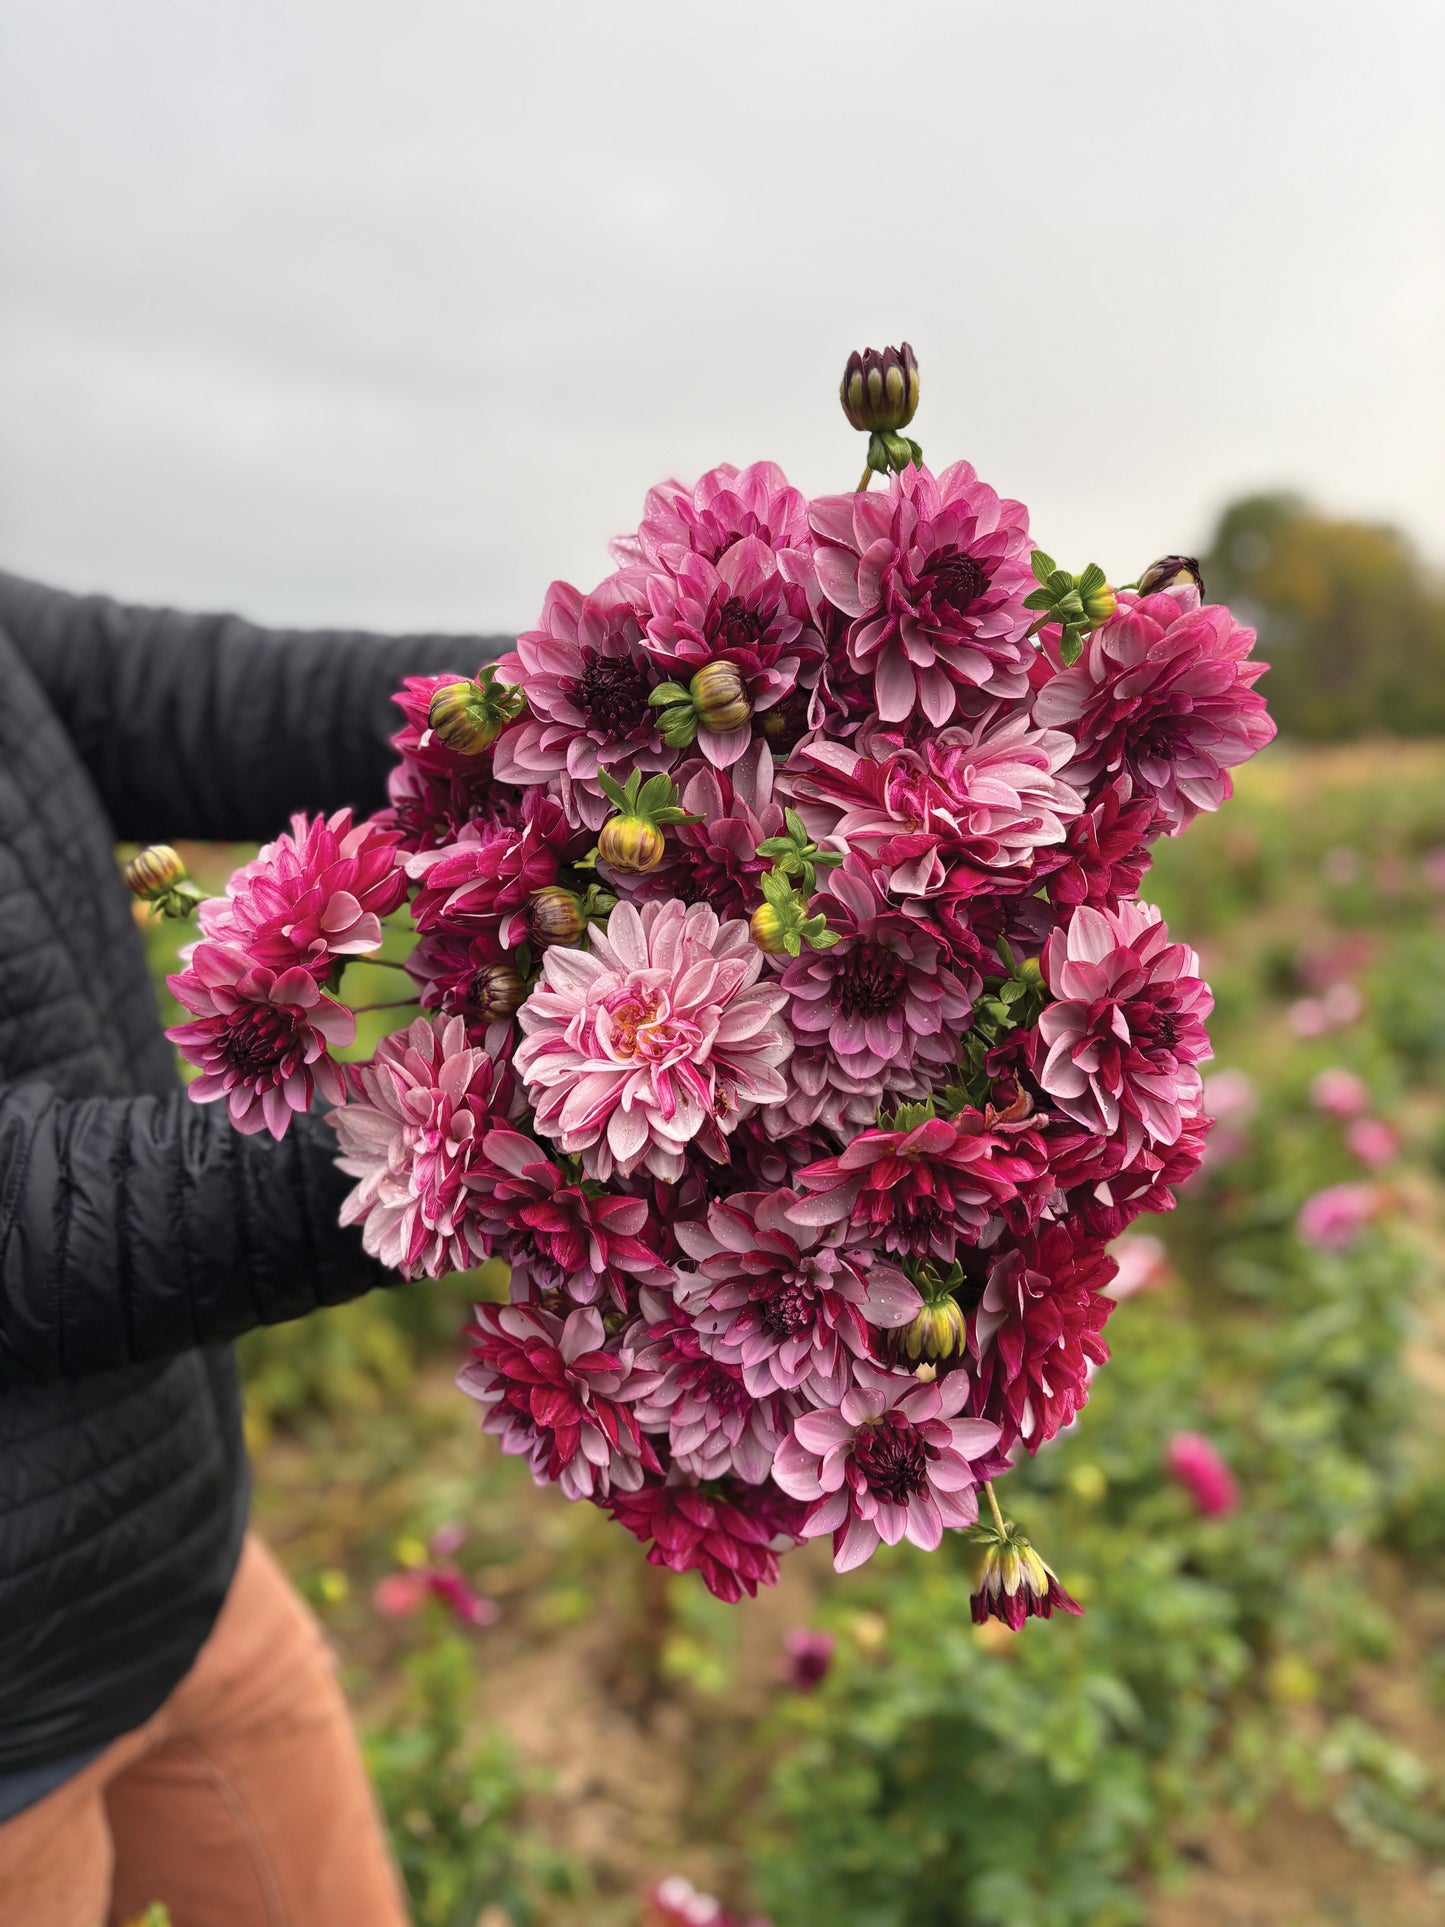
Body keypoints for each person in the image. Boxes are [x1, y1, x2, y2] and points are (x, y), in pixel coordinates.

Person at [0, 572, 504, 1925]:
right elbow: (22, 1219)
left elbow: (203, 701)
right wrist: (481, 1131)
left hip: (178, 1564)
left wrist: (594, 700)